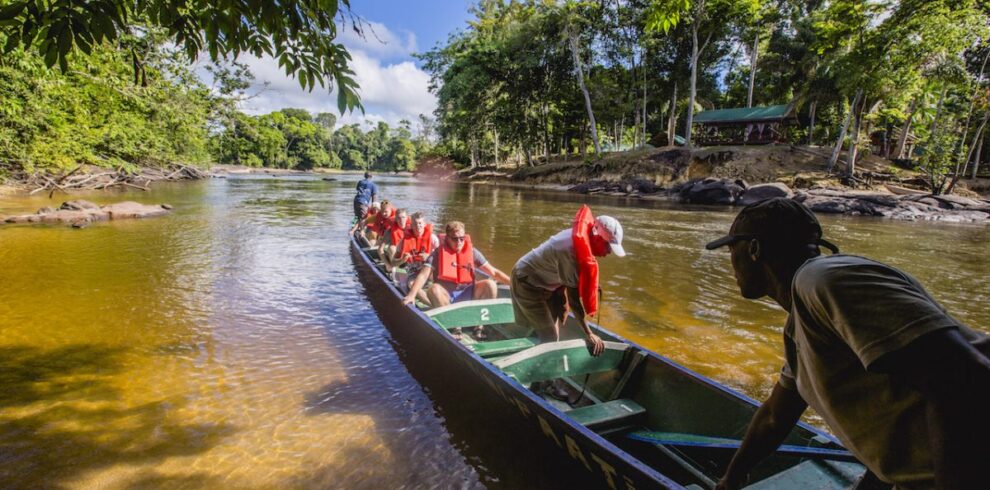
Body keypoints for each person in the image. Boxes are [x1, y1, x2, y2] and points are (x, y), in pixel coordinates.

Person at [705, 197, 990, 490]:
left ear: (754, 249)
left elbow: (963, 377)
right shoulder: (801, 328)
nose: (731, 263)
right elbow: (775, 417)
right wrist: (732, 478)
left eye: (731, 249)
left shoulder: (823, 280)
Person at [510, 205, 626, 359]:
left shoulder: (582, 244)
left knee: (554, 325)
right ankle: (538, 378)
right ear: (596, 236)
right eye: (608, 246)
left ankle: (540, 360)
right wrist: (588, 333)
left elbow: (569, 278)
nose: (609, 252)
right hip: (527, 282)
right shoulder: (568, 249)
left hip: (548, 283)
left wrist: (563, 300)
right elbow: (574, 300)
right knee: (550, 337)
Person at [402, 221, 510, 324]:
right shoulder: (437, 253)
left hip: (468, 293)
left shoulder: (472, 252)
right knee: (433, 289)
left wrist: (512, 284)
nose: (459, 242)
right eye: (455, 239)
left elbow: (494, 273)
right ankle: (453, 324)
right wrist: (411, 295)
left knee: (490, 284)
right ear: (448, 238)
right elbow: (423, 275)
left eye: (462, 238)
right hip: (447, 297)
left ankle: (481, 325)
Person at [393, 212, 440, 303]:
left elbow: (442, 260)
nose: (418, 226)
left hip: (430, 271)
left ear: (424, 224)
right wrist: (402, 260)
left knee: (440, 284)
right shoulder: (403, 241)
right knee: (412, 284)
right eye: (415, 224)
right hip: (413, 273)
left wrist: (428, 257)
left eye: (420, 223)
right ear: (411, 225)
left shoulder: (433, 239)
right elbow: (393, 263)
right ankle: (432, 305)